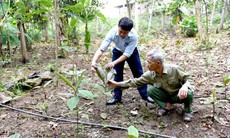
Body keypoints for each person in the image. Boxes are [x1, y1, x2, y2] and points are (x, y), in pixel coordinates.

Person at [108, 49, 194, 121]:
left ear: (158, 63)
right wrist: (117, 84)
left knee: (189, 92)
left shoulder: (174, 69)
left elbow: (189, 79)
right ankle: (166, 106)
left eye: (149, 62)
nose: (147, 64)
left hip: (178, 95)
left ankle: (187, 111)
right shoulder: (150, 74)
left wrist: (185, 86)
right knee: (150, 90)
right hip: (165, 96)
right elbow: (135, 82)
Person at [91, 17, 154, 105]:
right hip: (117, 51)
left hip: (131, 53)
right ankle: (117, 97)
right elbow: (101, 49)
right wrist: (94, 61)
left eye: (125, 33)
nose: (122, 34)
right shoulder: (111, 33)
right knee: (117, 74)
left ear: (130, 31)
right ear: (118, 27)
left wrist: (113, 62)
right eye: (120, 31)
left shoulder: (134, 36)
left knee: (138, 73)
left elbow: (127, 54)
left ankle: (144, 95)